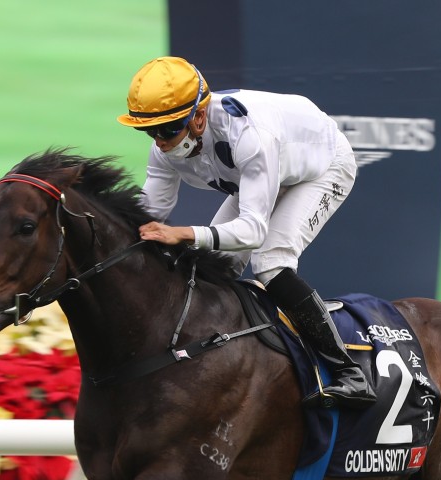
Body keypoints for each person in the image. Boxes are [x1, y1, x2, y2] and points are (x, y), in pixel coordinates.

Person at [117, 56, 377, 409]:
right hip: (263, 174)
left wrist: (185, 233)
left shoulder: (248, 137)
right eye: (150, 131)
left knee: (271, 261)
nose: (160, 142)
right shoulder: (166, 148)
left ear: (198, 116)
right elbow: (148, 215)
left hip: (323, 166)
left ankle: (349, 373)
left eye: (167, 130)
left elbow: (254, 230)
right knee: (215, 265)